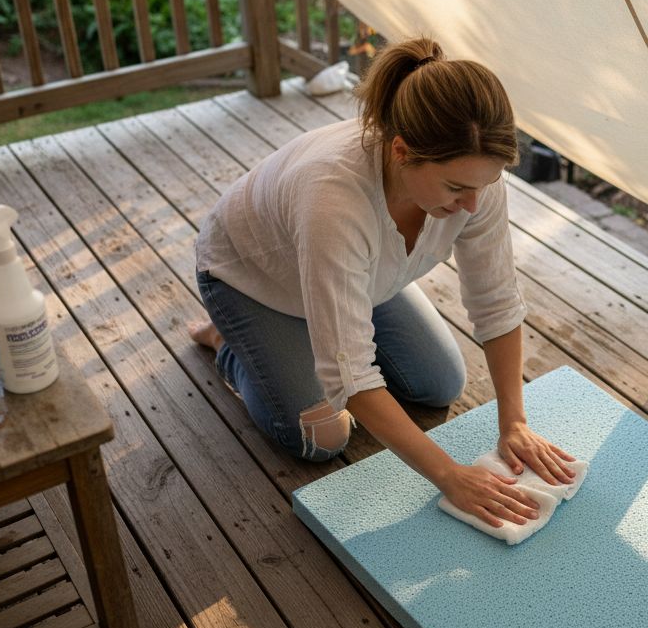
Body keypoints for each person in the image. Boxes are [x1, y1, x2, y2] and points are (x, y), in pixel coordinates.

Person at [189, 36, 575, 529]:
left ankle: (321, 329)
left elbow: (497, 303)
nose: (473, 205)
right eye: (457, 188)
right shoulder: (334, 198)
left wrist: (514, 422)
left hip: (358, 279)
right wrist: (450, 475)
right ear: (401, 151)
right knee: (322, 438)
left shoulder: (475, 185)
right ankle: (229, 342)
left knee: (440, 385)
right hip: (251, 280)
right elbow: (351, 377)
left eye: (485, 184)